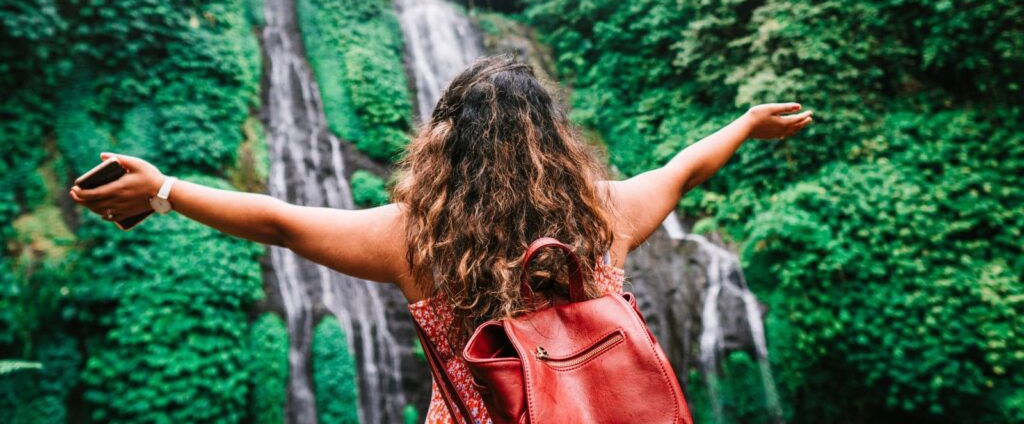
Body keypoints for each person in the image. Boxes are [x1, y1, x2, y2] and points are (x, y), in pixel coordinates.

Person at [69, 54, 812, 423]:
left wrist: (163, 190)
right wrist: (746, 123)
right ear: (554, 142)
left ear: (444, 143)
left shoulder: (415, 241)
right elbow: (683, 168)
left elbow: (278, 220)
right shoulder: (602, 216)